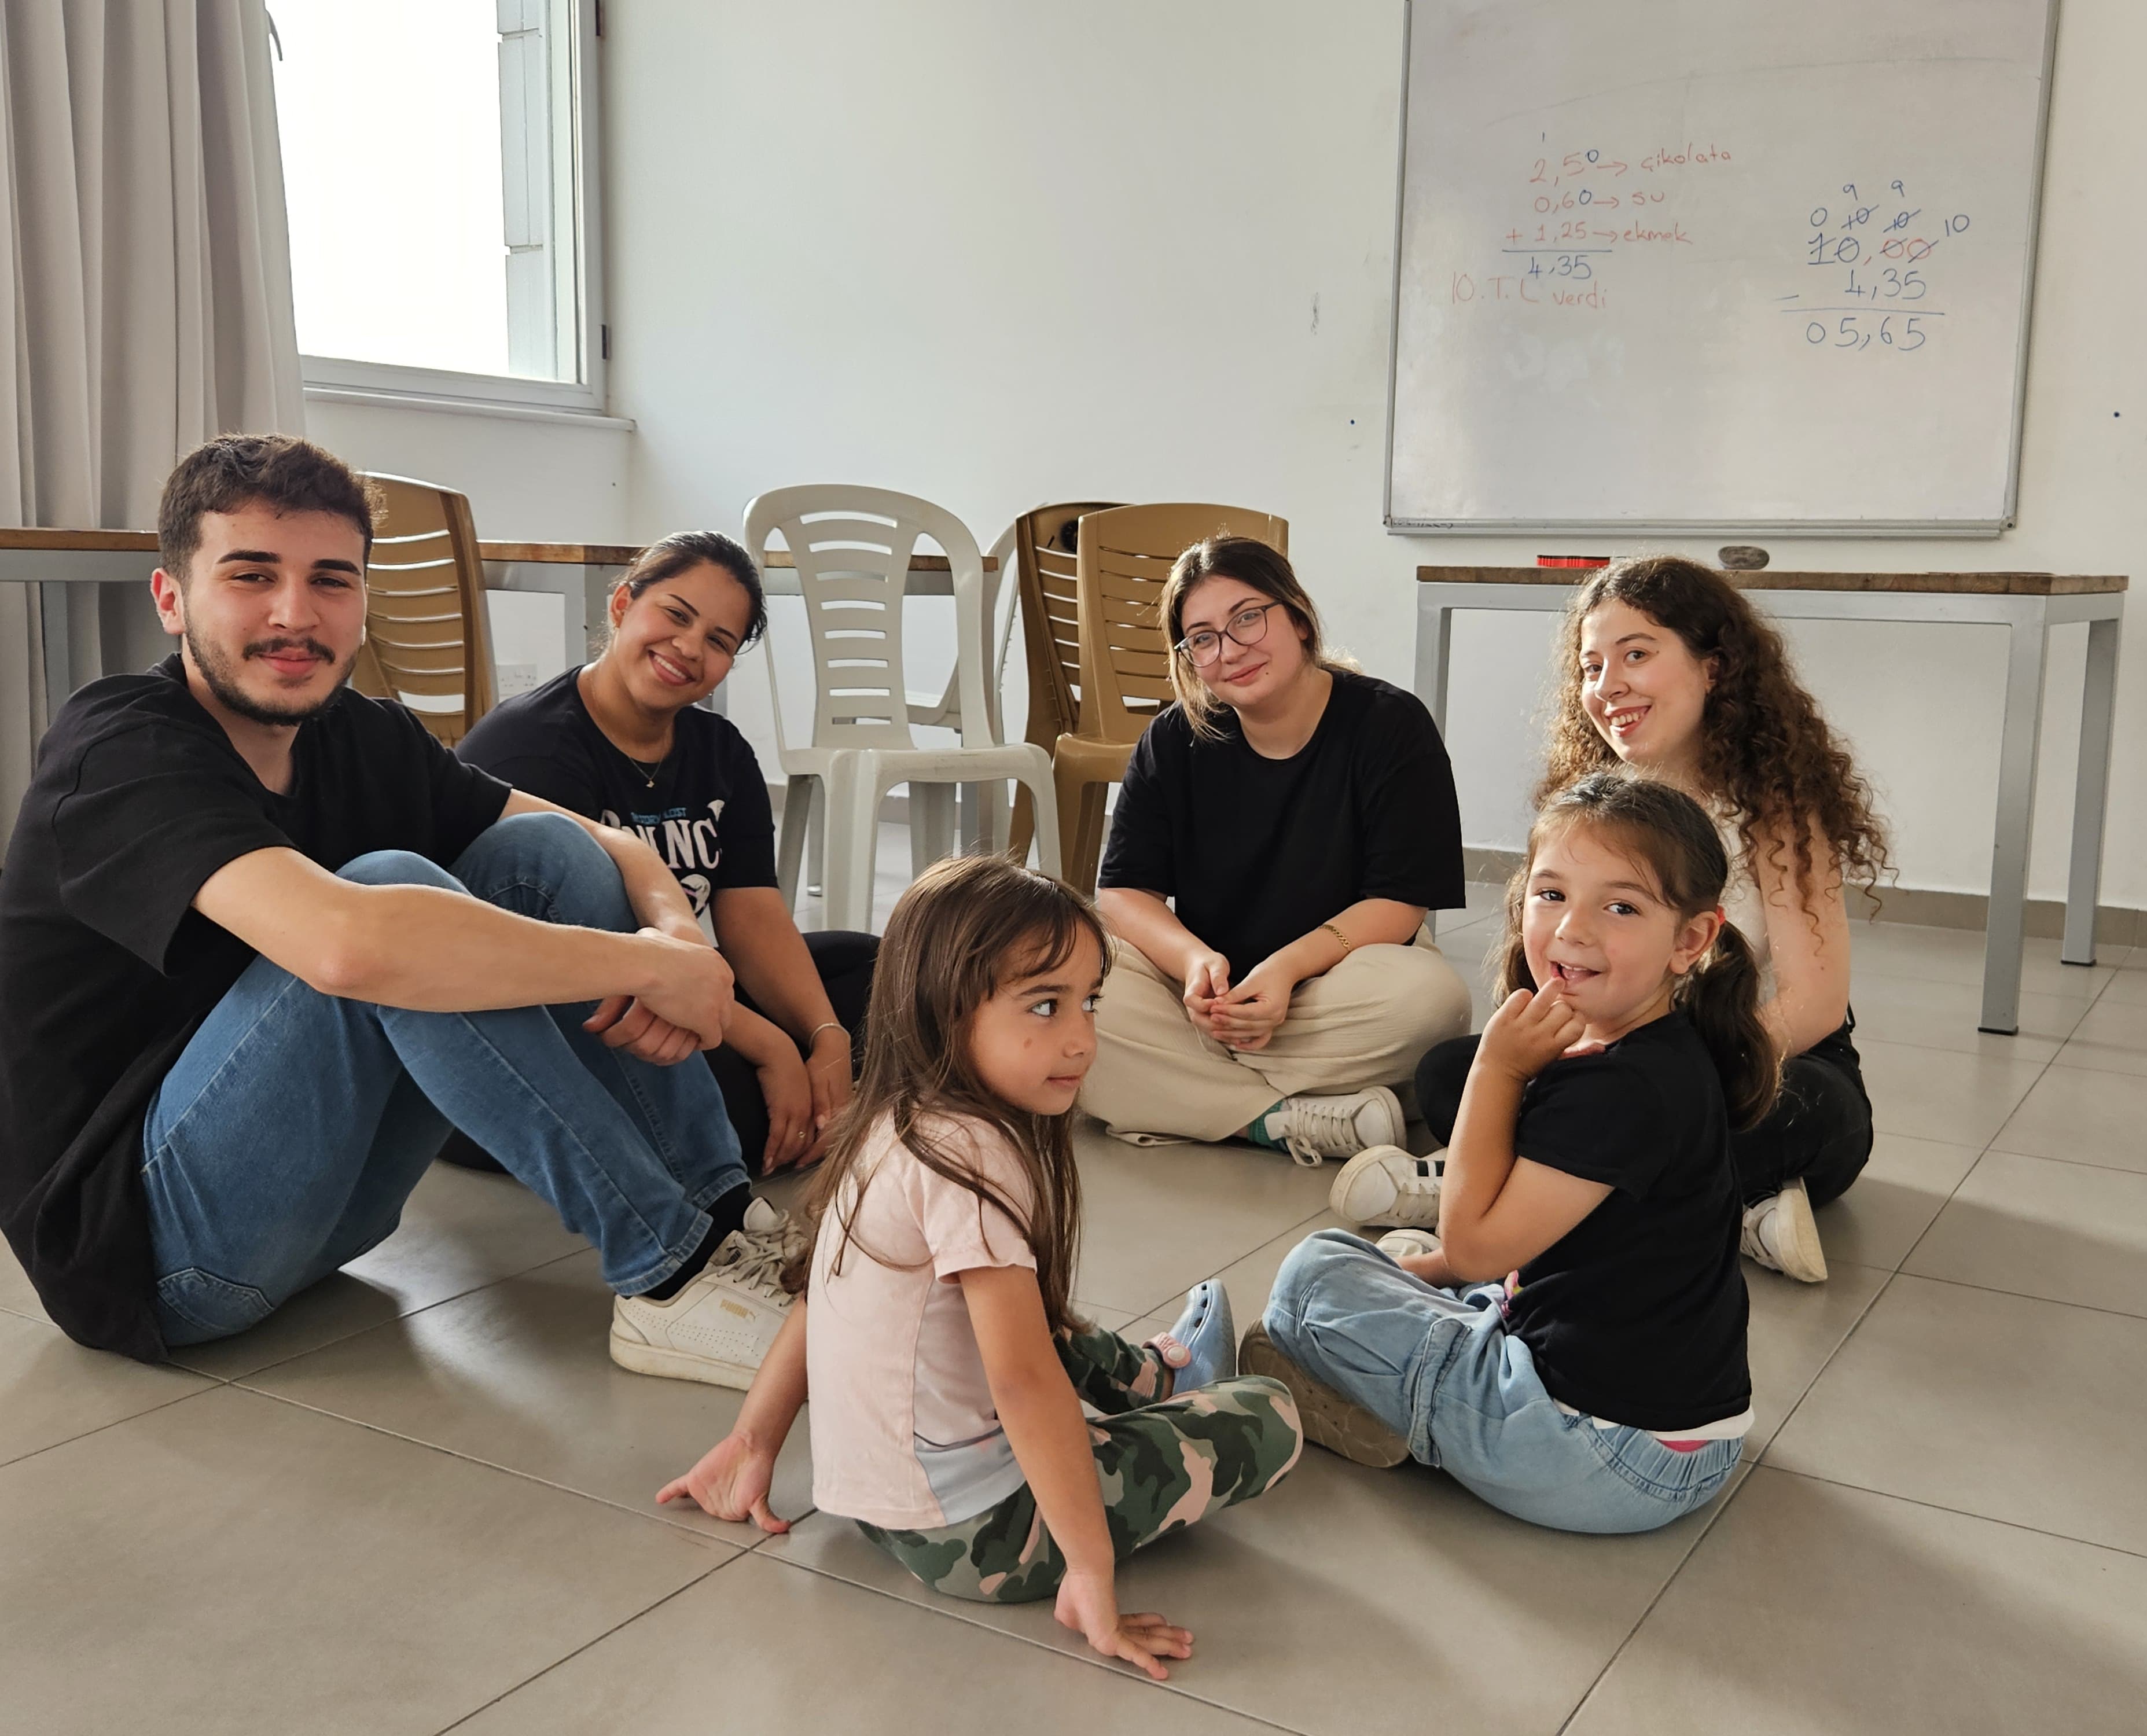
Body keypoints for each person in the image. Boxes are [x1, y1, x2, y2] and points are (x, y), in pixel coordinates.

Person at [0, 435, 792, 1387]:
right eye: (252, 576)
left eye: (331, 581)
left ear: (363, 601)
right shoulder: (119, 749)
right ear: (171, 599)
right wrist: (647, 968)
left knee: (542, 856)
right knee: (387, 902)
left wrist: (679, 938)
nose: (295, 614)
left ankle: (721, 1216)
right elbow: (349, 947)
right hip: (157, 1255)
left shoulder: (364, 736)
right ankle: (667, 1274)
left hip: (335, 1216)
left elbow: (603, 844)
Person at [657, 855, 1303, 1679]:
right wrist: (1089, 1571)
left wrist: (753, 1443)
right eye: (1044, 1005)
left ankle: (1156, 1377)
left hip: (875, 1503)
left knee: (1029, 1315)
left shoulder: (887, 1122)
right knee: (1268, 1412)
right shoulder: (974, 1157)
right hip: (979, 1536)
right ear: (943, 1008)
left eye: (1089, 1001)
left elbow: (818, 1300)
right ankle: (1170, 1385)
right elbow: (1024, 1384)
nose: (1082, 1038)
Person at [1337, 556, 1885, 1283]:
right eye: (1591, 667)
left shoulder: (1776, 808)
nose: (1607, 686)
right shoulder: (1594, 804)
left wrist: (1673, 1076)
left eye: (1636, 655)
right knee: (1449, 1074)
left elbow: (1813, 1006)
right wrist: (1566, 1064)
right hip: (1615, 1056)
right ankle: (1732, 1210)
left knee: (1821, 1117)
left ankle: (1495, 1197)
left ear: (1714, 667)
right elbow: (1554, 970)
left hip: (1754, 1060)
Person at [1247, 774, 1764, 1533]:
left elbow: (1474, 1248)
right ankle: (1383, 1376)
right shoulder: (1660, 1052)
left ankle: (1373, 1401)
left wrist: (1497, 1068)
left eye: (1621, 907)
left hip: (1597, 1459)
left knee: (1312, 1277)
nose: (1572, 930)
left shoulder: (1619, 1091)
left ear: (1690, 940)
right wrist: (1420, 1270)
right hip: (1692, 1444)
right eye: (1552, 895)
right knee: (1405, 1256)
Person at [451, 531, 873, 1175]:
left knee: (880, 969)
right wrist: (772, 1048)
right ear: (623, 604)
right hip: (548, 1027)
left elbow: (754, 917)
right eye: (676, 615)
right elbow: (604, 960)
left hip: (671, 995)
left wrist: (826, 1038)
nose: (689, 647)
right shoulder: (534, 747)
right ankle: (847, 1106)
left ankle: (837, 1096)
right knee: (732, 1109)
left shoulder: (720, 751)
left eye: (719, 641)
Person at [1080, 536, 1472, 1163]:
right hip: (1206, 996)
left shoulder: (1389, 724)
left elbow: (1398, 905)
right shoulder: (1172, 740)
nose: (1230, 651)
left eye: (1247, 618)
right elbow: (1124, 894)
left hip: (1333, 983)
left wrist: (1286, 971)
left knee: (1430, 1003)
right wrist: (1193, 963)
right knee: (1074, 990)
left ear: (1298, 617)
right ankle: (1282, 1118)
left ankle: (1186, 1089)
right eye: (1203, 639)